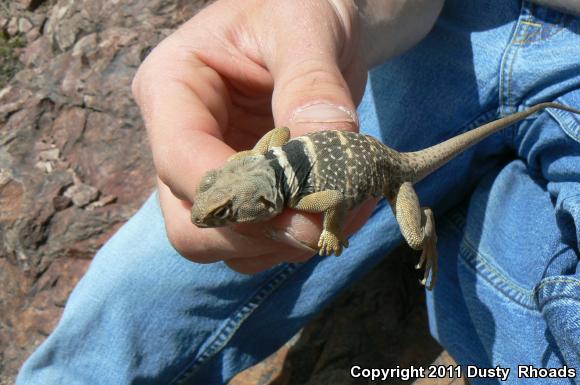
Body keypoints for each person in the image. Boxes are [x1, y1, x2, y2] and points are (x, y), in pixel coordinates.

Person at [17, 0, 580, 384]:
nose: (219, 209)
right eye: (224, 198)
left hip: (392, 173)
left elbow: (327, 200)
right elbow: (288, 139)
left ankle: (448, 227)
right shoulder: (272, 169)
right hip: (442, 23)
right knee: (146, 278)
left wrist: (332, 230)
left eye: (228, 205)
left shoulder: (292, 189)